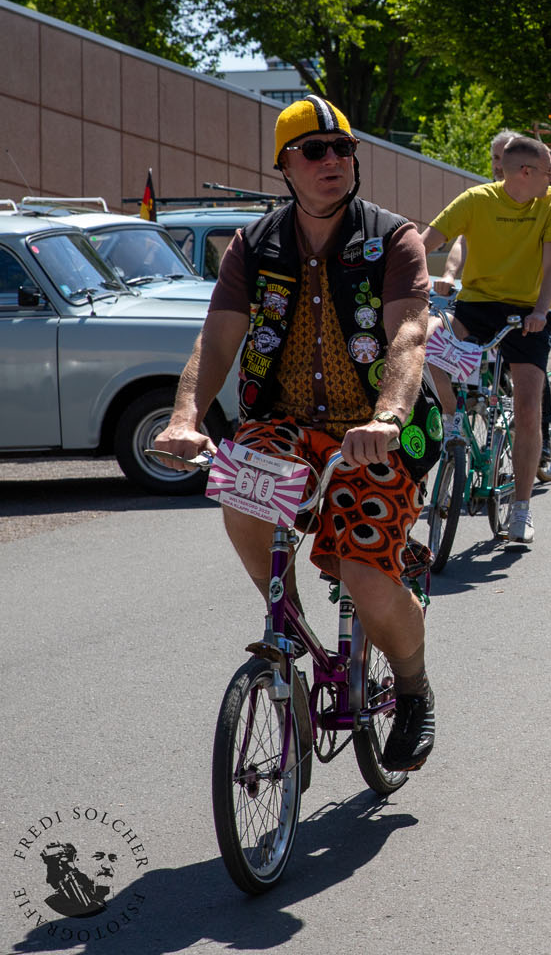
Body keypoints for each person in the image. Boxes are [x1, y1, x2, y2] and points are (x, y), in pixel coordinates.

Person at [157, 95, 441, 771]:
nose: (333, 161)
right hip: (283, 423)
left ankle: (413, 686)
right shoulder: (255, 245)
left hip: (374, 432)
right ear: (285, 165)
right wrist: (183, 417)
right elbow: (218, 337)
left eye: (343, 149)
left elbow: (407, 332)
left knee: (367, 581)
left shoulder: (392, 238)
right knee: (237, 487)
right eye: (315, 151)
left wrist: (388, 416)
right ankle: (286, 628)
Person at [419, 131, 551, 545]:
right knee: (428, 338)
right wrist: (406, 281)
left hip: (527, 313)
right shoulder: (476, 200)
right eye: (548, 169)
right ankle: (452, 420)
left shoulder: (550, 202)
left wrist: (540, 310)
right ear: (525, 171)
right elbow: (425, 242)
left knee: (526, 406)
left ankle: (521, 507)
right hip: (477, 307)